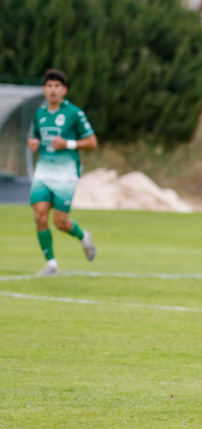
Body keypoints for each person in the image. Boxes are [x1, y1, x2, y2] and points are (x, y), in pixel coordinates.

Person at [28, 69, 98, 276]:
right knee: (40, 216)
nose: (52, 90)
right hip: (43, 171)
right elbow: (35, 137)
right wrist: (33, 143)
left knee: (60, 222)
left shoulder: (74, 113)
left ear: (64, 90)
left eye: (57, 86)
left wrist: (68, 143)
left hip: (66, 174)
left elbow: (92, 142)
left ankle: (84, 236)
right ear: (44, 89)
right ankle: (51, 264)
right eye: (49, 86)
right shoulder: (39, 114)